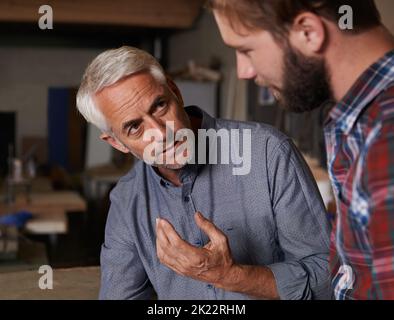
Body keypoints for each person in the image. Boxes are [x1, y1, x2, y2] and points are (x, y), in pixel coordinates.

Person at [76, 46, 331, 300]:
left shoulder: (267, 153)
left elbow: (331, 278)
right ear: (116, 143)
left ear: (175, 93)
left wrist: (231, 276)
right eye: (134, 127)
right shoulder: (127, 199)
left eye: (160, 106)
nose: (161, 134)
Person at [209, 0, 394, 299]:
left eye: (246, 50)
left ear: (308, 32)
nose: (243, 71)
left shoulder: (386, 133)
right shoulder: (358, 124)